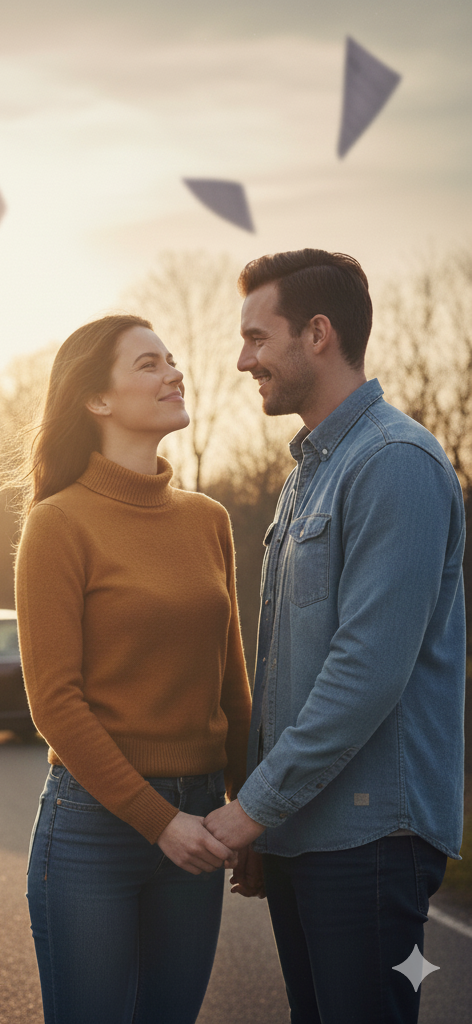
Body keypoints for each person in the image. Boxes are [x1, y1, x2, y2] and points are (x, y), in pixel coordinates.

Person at [204, 249, 465, 1024]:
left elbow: (365, 674)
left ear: (318, 334)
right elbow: (285, 666)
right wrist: (270, 822)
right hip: (307, 833)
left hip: (370, 840)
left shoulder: (394, 462)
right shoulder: (308, 475)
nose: (244, 360)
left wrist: (253, 808)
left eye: (257, 337)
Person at [15, 314, 253, 1024]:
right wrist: (159, 822)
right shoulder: (57, 523)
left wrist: (249, 810)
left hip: (204, 817)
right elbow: (55, 704)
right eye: (149, 364)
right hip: (94, 826)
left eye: (171, 360)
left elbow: (232, 686)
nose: (174, 373)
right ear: (96, 398)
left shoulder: (208, 519)